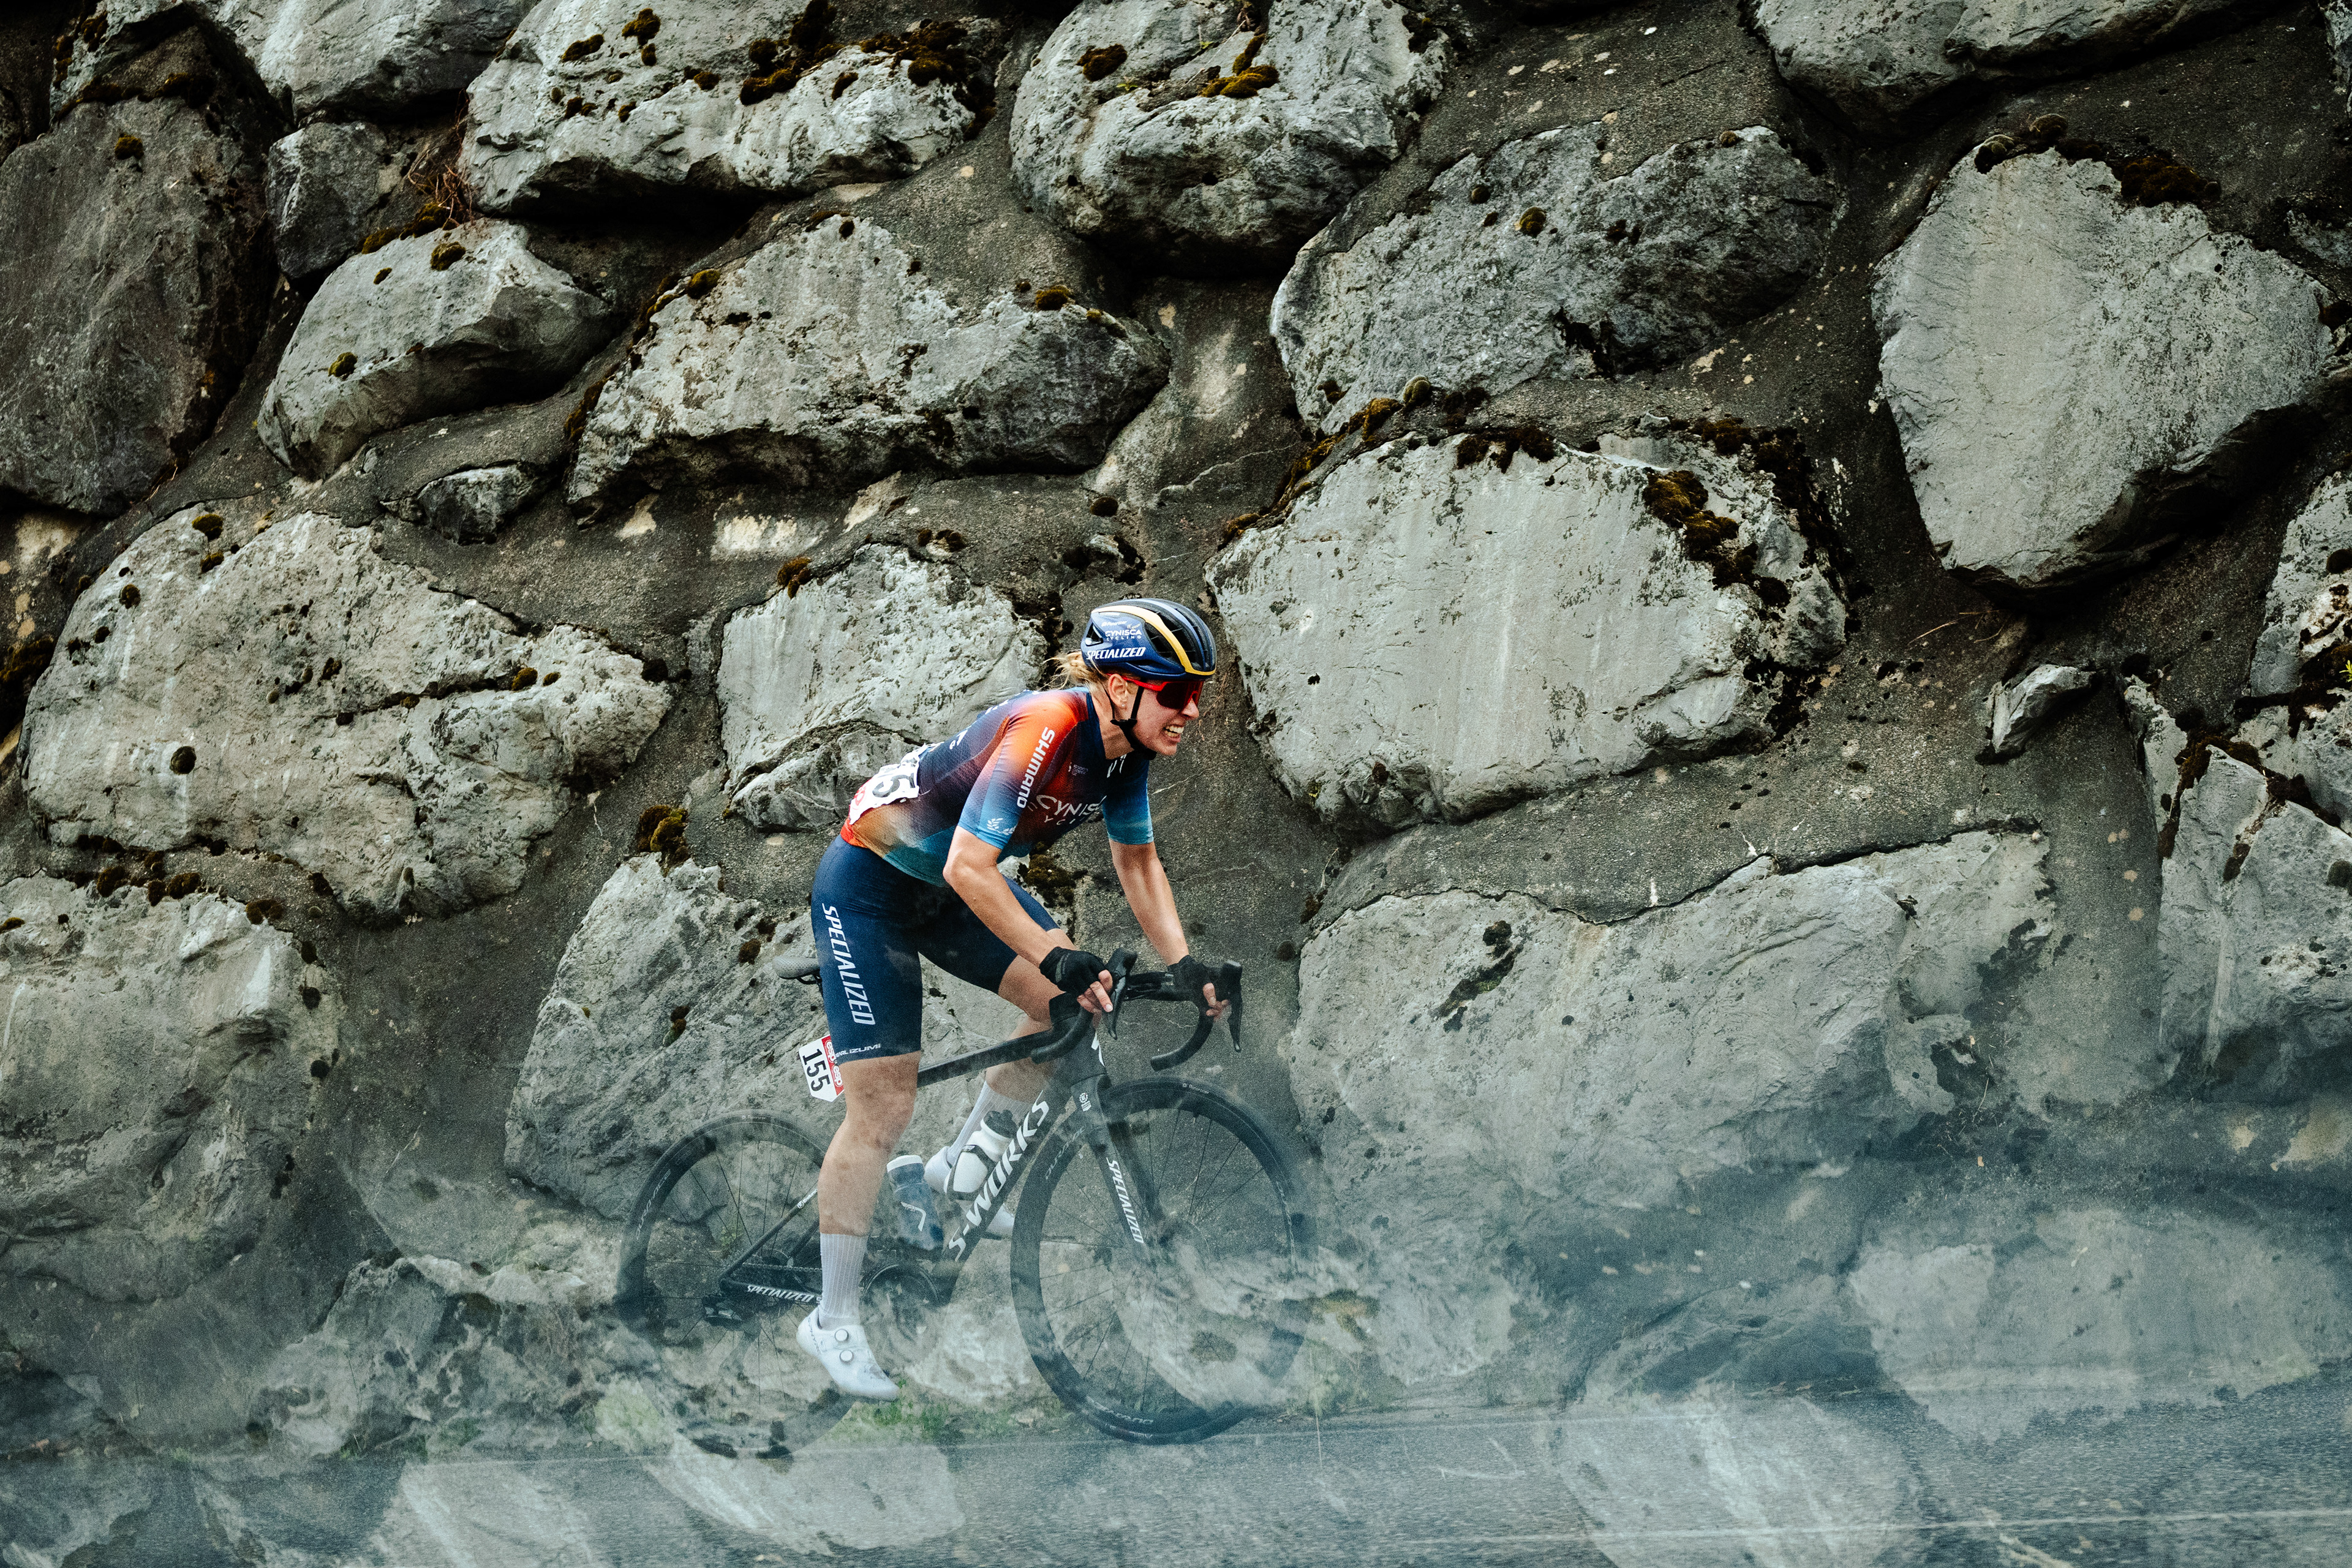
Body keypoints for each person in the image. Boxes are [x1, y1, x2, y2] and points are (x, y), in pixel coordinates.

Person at [798, 597, 1229, 1398]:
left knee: (1072, 1003)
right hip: (869, 889)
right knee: (883, 1111)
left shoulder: (1126, 754)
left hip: (953, 889)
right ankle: (833, 1318)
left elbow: (1138, 866)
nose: (1193, 708)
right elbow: (968, 865)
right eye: (1177, 690)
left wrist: (1187, 964)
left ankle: (959, 1173)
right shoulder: (1045, 729)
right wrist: (1058, 951)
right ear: (1123, 688)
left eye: (1196, 689)